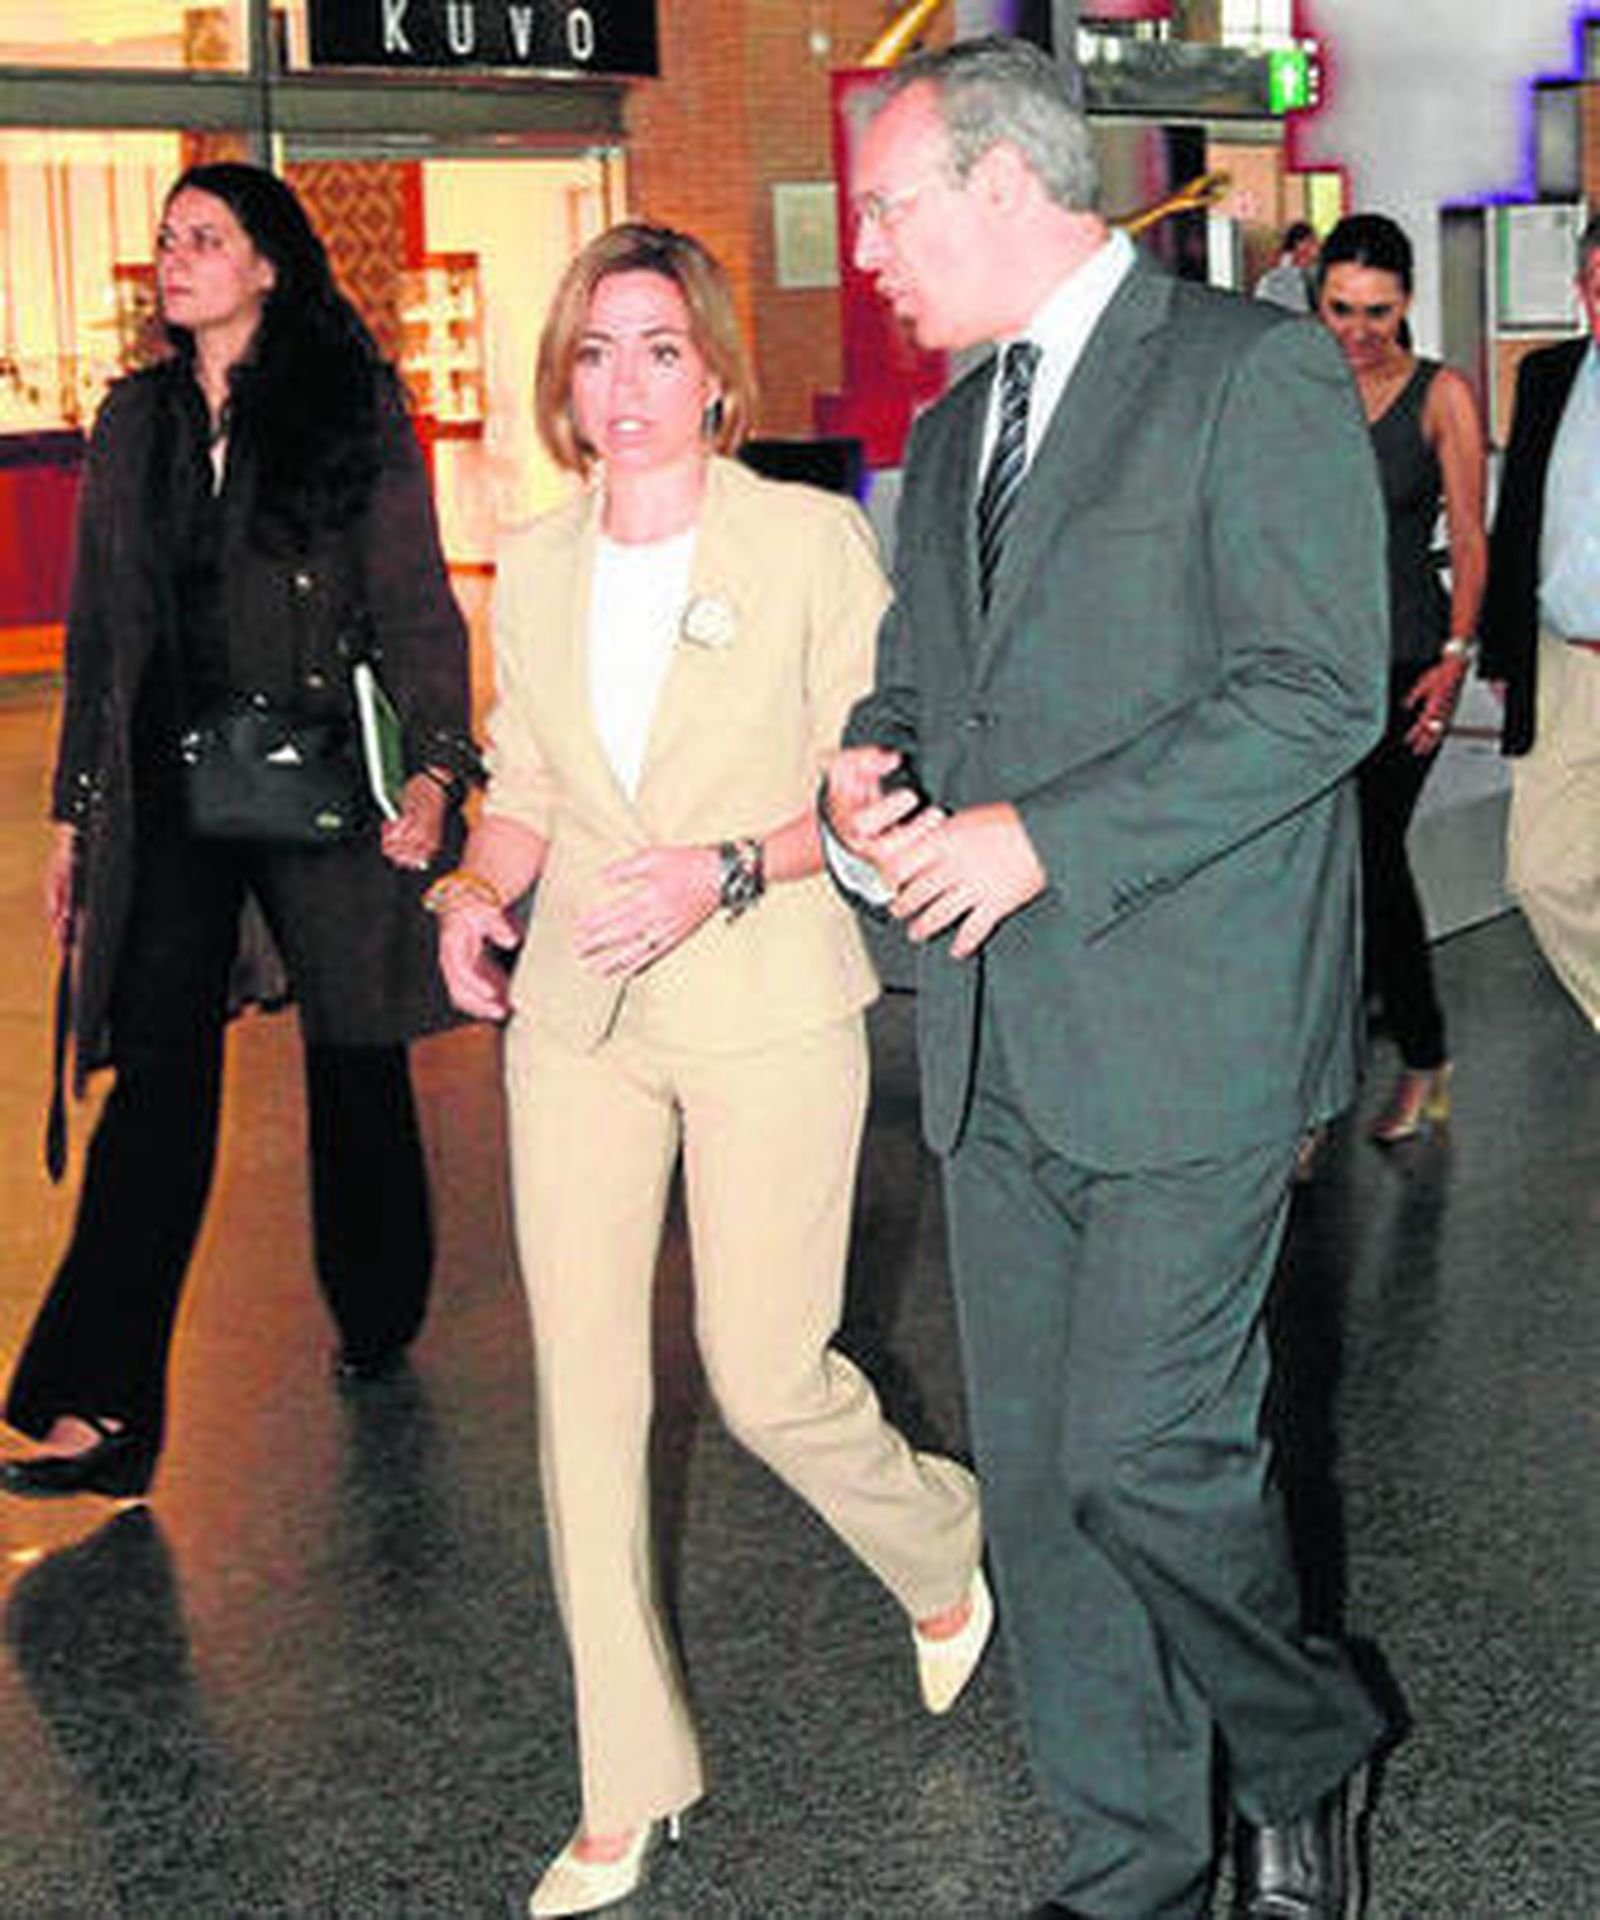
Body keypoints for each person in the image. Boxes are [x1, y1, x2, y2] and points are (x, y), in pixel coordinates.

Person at [826, 39, 1391, 1920]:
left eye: (893, 208)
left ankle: (1303, 1745)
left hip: (1195, 1032)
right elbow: (930, 678)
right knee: (1053, 1505)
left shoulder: (1250, 373)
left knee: (1147, 1458)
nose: (874, 250)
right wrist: (871, 766)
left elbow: (1316, 690)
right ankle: (1134, 1861)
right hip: (1000, 1040)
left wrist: (1036, 836)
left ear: (1004, 185)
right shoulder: (960, 427)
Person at [430, 222, 987, 1920]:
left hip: (764, 998)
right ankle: (626, 1784)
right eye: (597, 354)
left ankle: (940, 1544)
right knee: (585, 1405)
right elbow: (524, 776)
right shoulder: (528, 563)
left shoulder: (813, 542)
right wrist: (476, 883)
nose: (629, 386)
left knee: (763, 1376)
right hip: (580, 1027)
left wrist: (725, 868)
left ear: (719, 371)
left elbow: (864, 791)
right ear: (564, 384)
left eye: (661, 349)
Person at [0, 163, 476, 1502]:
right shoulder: (136, 420)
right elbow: (101, 638)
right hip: (168, 789)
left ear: (269, 266)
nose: (177, 257)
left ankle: (377, 1310)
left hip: (311, 764)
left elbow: (410, 600)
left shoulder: (347, 405)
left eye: (206, 237)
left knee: (354, 1045)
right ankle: (102, 1408)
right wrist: (73, 824)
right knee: (157, 1077)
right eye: (167, 239)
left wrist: (436, 771)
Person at [1315, 213, 1488, 1140]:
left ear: (1407, 303)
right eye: (1341, 308)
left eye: (1377, 312)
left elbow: (1467, 537)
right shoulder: (1294, 383)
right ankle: (1328, 1069)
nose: (1358, 330)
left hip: (1404, 660)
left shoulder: (1440, 394)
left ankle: (1421, 1054)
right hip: (1306, 666)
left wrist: (1455, 662)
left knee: (1366, 856)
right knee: (1317, 872)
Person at [1480, 212, 1600, 1030]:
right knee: (1542, 872)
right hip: (1564, 662)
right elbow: (1515, 516)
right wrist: (1498, 644)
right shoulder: (1548, 375)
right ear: (1583, 289)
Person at [1255, 219, 1320, 313]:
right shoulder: (1294, 276)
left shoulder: (1271, 274)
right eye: (1314, 241)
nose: (1319, 246)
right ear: (1303, 245)